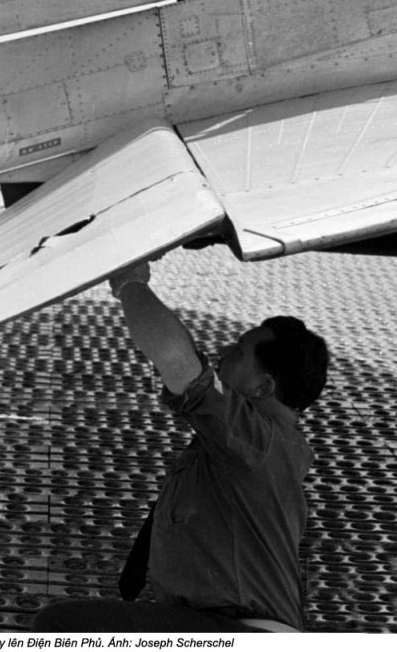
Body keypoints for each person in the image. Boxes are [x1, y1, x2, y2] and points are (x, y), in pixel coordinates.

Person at [32, 262, 329, 633]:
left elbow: (180, 366)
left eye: (238, 351)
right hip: (219, 625)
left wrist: (129, 283)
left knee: (62, 626)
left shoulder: (259, 442)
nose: (223, 352)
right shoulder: (251, 444)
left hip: (237, 630)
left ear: (263, 388)